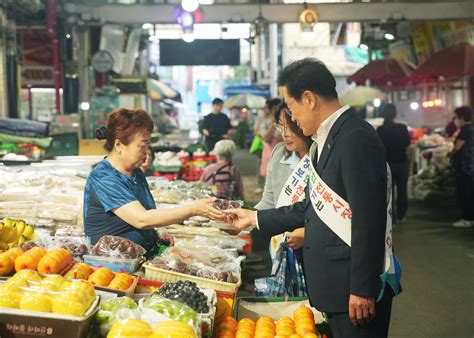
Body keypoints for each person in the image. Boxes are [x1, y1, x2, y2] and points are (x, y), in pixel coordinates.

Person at [225, 58, 399, 338]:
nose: (291, 118)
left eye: (291, 107)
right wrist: (253, 217)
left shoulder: (355, 137)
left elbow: (369, 218)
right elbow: (309, 207)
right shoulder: (325, 141)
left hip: (353, 292)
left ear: (308, 99)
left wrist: (363, 289)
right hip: (335, 288)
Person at [84, 108, 223, 256]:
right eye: (142, 145)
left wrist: (154, 233)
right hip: (114, 265)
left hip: (137, 257)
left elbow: (145, 215)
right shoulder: (104, 178)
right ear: (119, 145)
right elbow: (141, 219)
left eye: (147, 144)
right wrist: (193, 209)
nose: (146, 151)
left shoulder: (135, 172)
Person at [255, 102, 312, 270]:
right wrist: (243, 221)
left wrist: (308, 234)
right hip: (282, 247)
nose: (285, 134)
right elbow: (269, 202)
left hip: (315, 251)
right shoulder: (279, 153)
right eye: (281, 126)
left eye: (291, 127)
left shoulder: (322, 157)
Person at [377, 104, 411, 224]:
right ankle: (401, 215)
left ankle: (392, 218)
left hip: (387, 165)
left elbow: (378, 147)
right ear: (395, 114)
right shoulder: (402, 128)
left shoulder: (380, 130)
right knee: (402, 190)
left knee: (388, 192)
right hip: (402, 162)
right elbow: (408, 143)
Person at [449, 106, 474, 228]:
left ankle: (466, 219)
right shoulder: (471, 129)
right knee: (469, 193)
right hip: (470, 167)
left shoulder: (465, 130)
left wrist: (450, 154)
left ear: (462, 118)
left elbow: (457, 147)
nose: (455, 120)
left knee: (466, 194)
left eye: (456, 118)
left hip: (465, 168)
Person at [254, 98, 283, 179]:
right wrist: (274, 123)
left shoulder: (288, 120)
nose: (277, 111)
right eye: (274, 109)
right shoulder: (265, 121)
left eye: (278, 108)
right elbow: (266, 138)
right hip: (270, 152)